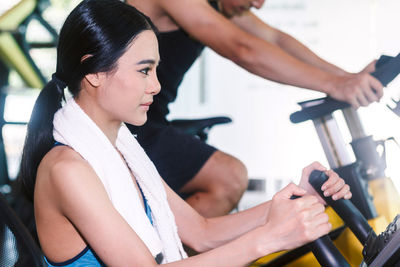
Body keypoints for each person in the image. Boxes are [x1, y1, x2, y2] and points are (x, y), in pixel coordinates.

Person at [18, 0, 352, 265]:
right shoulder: (68, 170)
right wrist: (269, 238)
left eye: (156, 70)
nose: (156, 86)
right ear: (94, 72)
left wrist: (302, 196)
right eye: (144, 70)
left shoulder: (121, 150)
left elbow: (202, 232)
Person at [125, 0, 384, 217]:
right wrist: (336, 84)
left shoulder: (217, 5)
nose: (259, 4)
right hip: (118, 125)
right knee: (228, 178)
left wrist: (347, 79)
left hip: (147, 120)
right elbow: (243, 48)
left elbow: (275, 39)